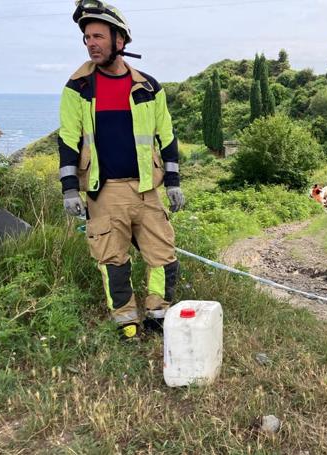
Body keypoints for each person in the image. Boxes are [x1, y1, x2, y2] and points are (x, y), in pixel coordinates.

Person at [59, 1, 185, 339]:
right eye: (87, 38)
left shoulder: (148, 87)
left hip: (147, 190)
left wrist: (172, 183)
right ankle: (126, 322)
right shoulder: (78, 88)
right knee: (112, 261)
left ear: (120, 41)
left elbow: (167, 138)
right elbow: (68, 140)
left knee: (163, 257)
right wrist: (70, 188)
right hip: (105, 192)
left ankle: (158, 317)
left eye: (98, 36)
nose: (91, 44)